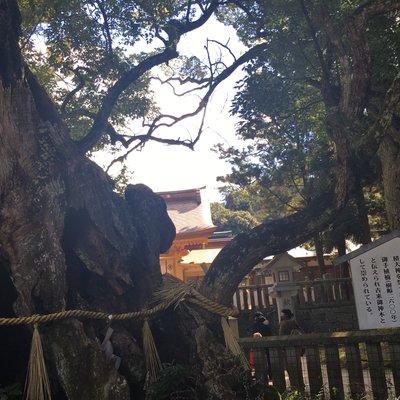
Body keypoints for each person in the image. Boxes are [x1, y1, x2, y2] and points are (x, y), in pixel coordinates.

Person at [278, 309, 305, 390]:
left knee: (290, 368)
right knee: (298, 366)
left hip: (287, 349)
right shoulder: (294, 322)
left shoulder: (283, 324)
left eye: (282, 314)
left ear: (285, 315)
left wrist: (281, 348)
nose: (281, 316)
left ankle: (294, 385)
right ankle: (301, 383)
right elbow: (301, 332)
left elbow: (281, 336)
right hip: (296, 348)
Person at [251, 311, 272, 381]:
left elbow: (254, 334)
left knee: (260, 360)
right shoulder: (267, 323)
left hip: (259, 344)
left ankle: (262, 377)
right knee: (269, 360)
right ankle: (271, 374)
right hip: (268, 344)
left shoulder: (255, 324)